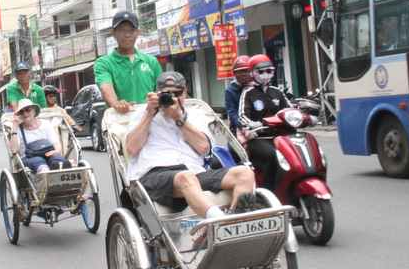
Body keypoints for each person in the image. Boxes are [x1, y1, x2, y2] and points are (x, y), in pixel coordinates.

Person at [125, 71, 256, 221]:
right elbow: (132, 148)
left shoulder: (195, 115)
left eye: (178, 93)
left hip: (194, 172)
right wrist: (149, 114)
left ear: (185, 93)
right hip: (155, 173)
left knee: (245, 173)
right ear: (157, 93)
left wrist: (179, 119)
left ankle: (234, 221)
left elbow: (204, 149)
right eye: (167, 93)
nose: (173, 98)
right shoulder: (143, 114)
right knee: (185, 176)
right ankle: (220, 222)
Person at [239, 54, 292, 190]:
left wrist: (304, 116)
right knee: (273, 155)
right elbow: (242, 115)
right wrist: (251, 124)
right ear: (252, 73)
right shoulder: (248, 93)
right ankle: (270, 189)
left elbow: (289, 110)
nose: (265, 75)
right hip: (260, 138)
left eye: (268, 71)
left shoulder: (277, 92)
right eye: (260, 71)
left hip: (280, 136)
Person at [94, 10, 163, 114]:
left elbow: (160, 89)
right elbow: (106, 87)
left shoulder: (151, 61)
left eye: (131, 30)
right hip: (120, 122)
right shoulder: (103, 63)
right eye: (122, 30)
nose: (127, 35)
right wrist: (116, 104)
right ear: (114, 33)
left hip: (149, 120)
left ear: (137, 33)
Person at [9, 99, 69, 173]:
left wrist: (56, 152)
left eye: (28, 110)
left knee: (57, 158)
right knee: (38, 161)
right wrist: (14, 127)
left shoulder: (45, 124)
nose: (25, 113)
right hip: (28, 158)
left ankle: (61, 169)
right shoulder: (17, 129)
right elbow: (14, 150)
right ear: (20, 115)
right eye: (22, 112)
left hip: (48, 154)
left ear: (34, 111)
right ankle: (46, 174)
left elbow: (56, 143)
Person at [224, 55, 252, 135]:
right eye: (240, 72)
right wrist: (243, 127)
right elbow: (232, 113)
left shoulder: (258, 87)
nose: (243, 74)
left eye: (246, 71)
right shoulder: (230, 90)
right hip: (239, 128)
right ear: (234, 73)